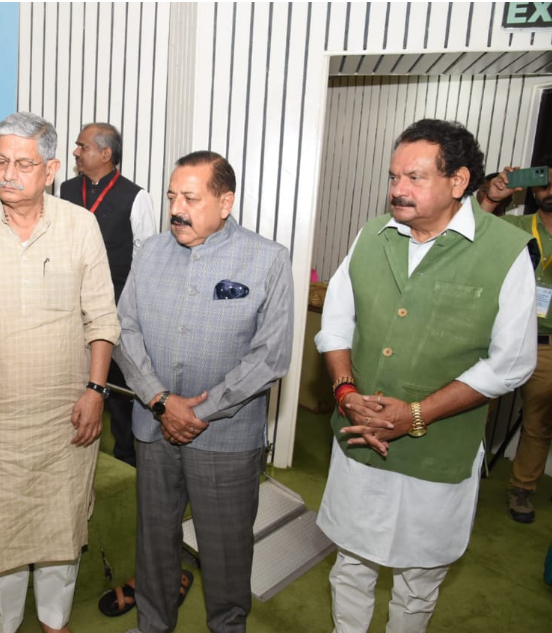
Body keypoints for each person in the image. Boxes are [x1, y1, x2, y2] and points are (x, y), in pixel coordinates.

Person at [315, 119, 537, 633]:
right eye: (393, 177)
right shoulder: (372, 234)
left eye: (413, 178)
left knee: (419, 578)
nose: (397, 190)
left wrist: (415, 414)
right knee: (351, 563)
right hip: (360, 436)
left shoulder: (504, 251)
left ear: (458, 182)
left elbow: (512, 362)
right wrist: (346, 391)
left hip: (439, 454)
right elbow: (337, 321)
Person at [0, 112, 121, 633]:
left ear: (52, 168)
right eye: (0, 161)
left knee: (61, 537)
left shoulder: (80, 226)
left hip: (64, 419)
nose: (7, 174)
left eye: (23, 164)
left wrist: (96, 390)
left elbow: (101, 317)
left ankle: (54, 623)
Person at [114, 150, 294, 633]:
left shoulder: (267, 260)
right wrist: (159, 399)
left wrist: (201, 410)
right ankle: (153, 625)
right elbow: (124, 329)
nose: (177, 208)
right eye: (173, 196)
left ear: (225, 201)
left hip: (226, 438)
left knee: (226, 550)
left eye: (190, 198)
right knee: (154, 540)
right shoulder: (150, 252)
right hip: (153, 427)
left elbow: (271, 356)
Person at [60, 122, 158, 467]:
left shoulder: (136, 196)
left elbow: (146, 257)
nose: (76, 152)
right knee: (72, 372)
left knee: (116, 384)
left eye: (82, 146)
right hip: (70, 300)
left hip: (115, 304)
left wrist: (132, 309)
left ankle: (125, 457)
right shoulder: (66, 189)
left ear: (105, 153)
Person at [477, 156, 552, 523]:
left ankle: (522, 489)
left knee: (538, 425)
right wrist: (493, 196)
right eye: (543, 183)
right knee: (475, 409)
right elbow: (474, 232)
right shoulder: (518, 225)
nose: (549, 191)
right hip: (500, 339)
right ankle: (462, 476)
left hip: (547, 346)